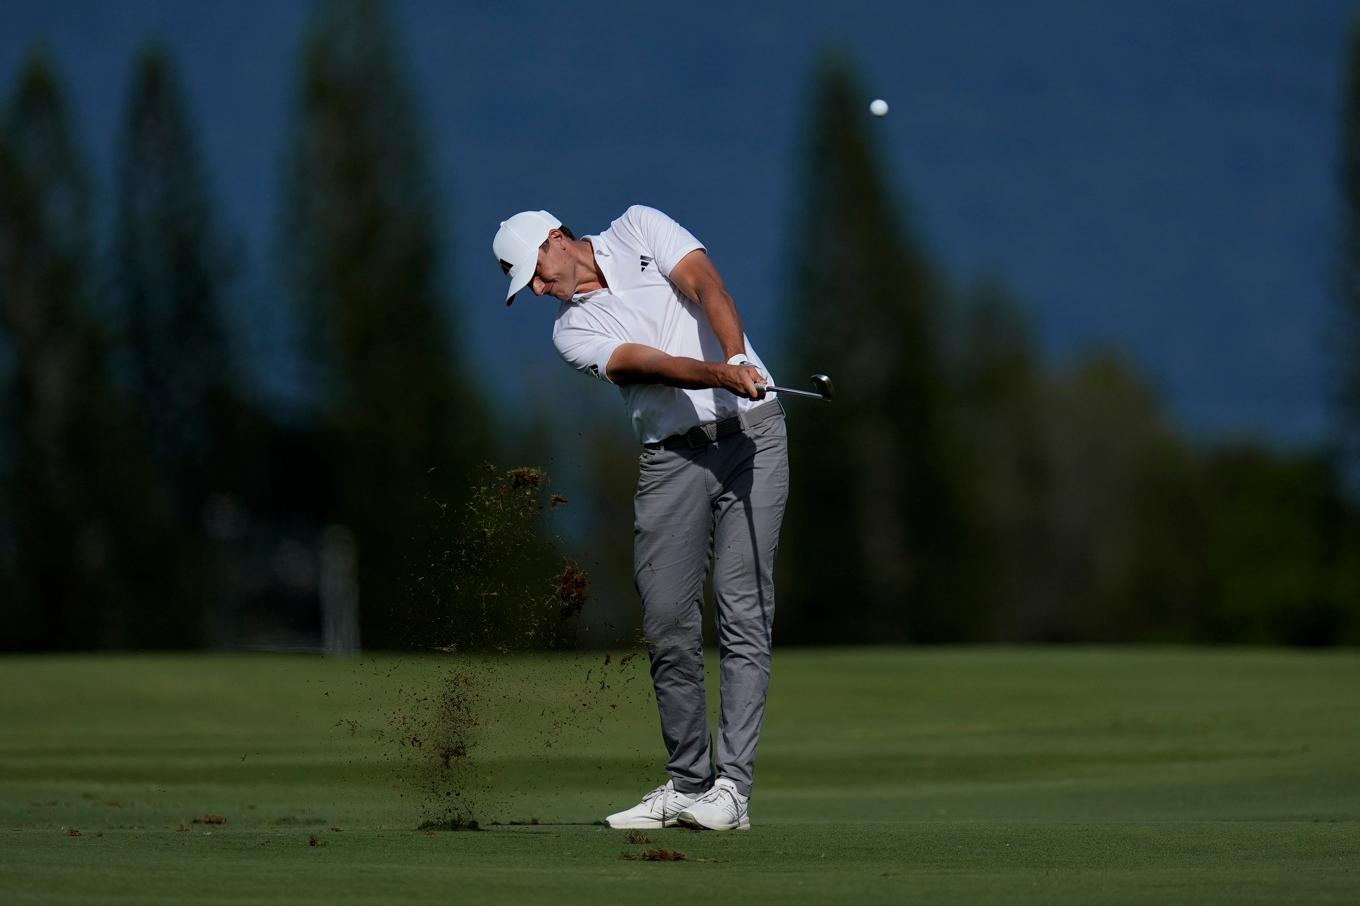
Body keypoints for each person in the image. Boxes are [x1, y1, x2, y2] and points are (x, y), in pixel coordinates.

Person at [492, 205, 790, 832]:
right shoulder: (569, 333)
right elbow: (642, 362)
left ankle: (731, 791)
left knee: (742, 608)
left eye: (538, 276)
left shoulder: (639, 228)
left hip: (753, 440)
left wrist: (736, 357)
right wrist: (717, 373)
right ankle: (688, 784)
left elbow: (708, 286)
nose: (542, 291)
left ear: (555, 240)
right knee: (666, 621)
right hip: (670, 458)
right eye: (533, 289)